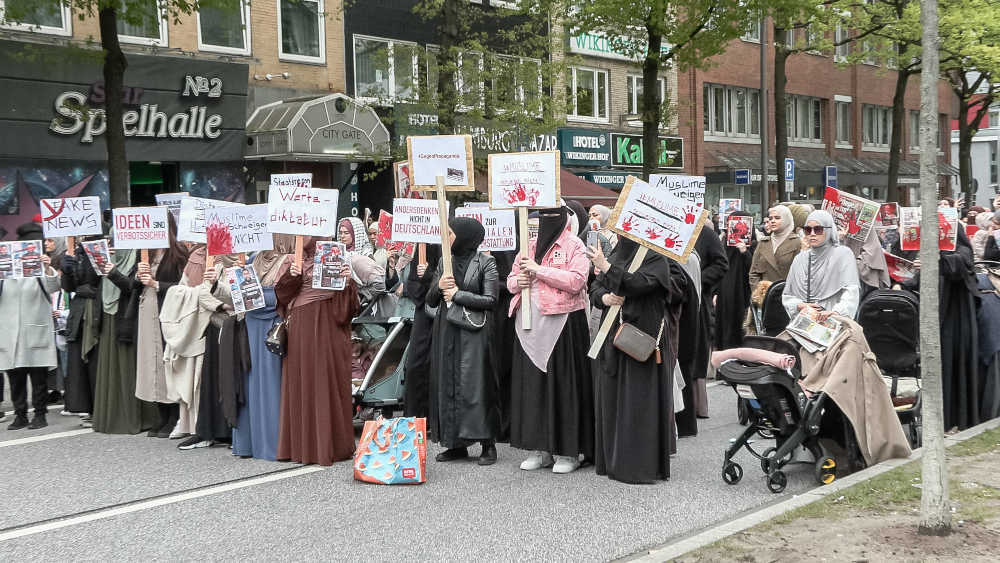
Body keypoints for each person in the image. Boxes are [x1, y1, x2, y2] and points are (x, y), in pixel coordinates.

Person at [588, 236, 686, 484]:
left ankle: (638, 465)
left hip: (642, 335)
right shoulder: (618, 253)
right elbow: (596, 287)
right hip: (613, 335)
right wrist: (605, 298)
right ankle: (613, 460)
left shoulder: (655, 256)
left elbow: (641, 284)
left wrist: (609, 268)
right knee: (612, 396)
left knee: (639, 400)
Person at [507, 206, 593, 474]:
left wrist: (539, 270)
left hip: (563, 323)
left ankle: (569, 450)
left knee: (564, 385)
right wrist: (519, 279)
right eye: (541, 216)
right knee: (534, 387)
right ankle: (539, 447)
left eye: (553, 217)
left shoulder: (574, 245)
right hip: (529, 325)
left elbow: (577, 280)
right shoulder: (528, 245)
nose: (546, 222)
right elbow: (511, 281)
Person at [275, 237, 358, 466]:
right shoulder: (293, 260)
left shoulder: (336, 256)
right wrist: (293, 275)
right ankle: (303, 445)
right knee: (303, 380)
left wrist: (347, 281)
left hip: (330, 326)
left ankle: (333, 444)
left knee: (329, 379)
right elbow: (282, 297)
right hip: (302, 327)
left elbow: (349, 306)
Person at [425, 217, 500, 465]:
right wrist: (439, 286)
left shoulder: (485, 262)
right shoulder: (443, 262)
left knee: (475, 384)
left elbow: (491, 300)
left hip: (474, 332)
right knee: (447, 382)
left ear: (465, 235)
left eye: (450, 233)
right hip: (446, 329)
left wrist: (459, 294)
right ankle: (454, 443)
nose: (445, 237)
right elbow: (431, 300)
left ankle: (487, 443)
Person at [892, 229, 980, 431]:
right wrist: (901, 286)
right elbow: (918, 280)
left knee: (953, 370)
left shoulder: (962, 251)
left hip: (954, 323)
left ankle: (954, 422)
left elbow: (957, 265)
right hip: (935, 321)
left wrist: (936, 260)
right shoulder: (937, 253)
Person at [233, 235, 295, 460]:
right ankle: (251, 443)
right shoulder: (252, 260)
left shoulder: (289, 260)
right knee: (252, 380)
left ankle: (273, 444)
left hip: (272, 326)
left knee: (270, 382)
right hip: (251, 326)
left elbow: (284, 296)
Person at [134, 216, 189, 438]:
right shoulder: (145, 254)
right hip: (147, 312)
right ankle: (160, 414)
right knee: (151, 363)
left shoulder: (178, 254)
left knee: (167, 361)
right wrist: (138, 275)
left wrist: (155, 283)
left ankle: (174, 415)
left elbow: (183, 287)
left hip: (168, 312)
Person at [93, 247, 157, 434]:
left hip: (129, 316)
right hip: (107, 314)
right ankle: (112, 416)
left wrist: (112, 272)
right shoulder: (107, 254)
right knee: (111, 365)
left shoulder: (141, 254)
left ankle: (137, 416)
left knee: (130, 365)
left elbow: (131, 286)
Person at [1, 248, 61, 430]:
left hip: (35, 333)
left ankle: (40, 414)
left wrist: (47, 268)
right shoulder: (4, 276)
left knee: (38, 378)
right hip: (11, 335)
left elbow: (54, 287)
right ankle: (20, 415)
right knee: (15, 379)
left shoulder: (38, 274)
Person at [161, 245, 214, 439]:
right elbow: (182, 285)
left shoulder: (228, 256)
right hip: (189, 321)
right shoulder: (196, 255)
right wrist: (194, 293)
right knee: (187, 373)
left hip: (209, 322)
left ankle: (201, 424)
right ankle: (185, 421)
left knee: (200, 378)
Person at [782, 210, 861, 321]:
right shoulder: (800, 258)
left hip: (834, 323)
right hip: (803, 323)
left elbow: (851, 292)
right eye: (808, 230)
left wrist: (836, 313)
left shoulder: (843, 254)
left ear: (829, 230)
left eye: (818, 229)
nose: (812, 234)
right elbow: (788, 296)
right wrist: (799, 305)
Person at [60, 237, 103, 424]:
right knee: (80, 361)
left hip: (97, 310)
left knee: (96, 360)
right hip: (79, 312)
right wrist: (66, 270)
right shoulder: (74, 254)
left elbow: (102, 280)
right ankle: (86, 406)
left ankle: (99, 406)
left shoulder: (102, 249)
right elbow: (68, 287)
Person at [403, 245, 441, 419]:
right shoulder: (424, 246)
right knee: (416, 365)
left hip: (448, 311)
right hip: (424, 314)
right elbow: (413, 284)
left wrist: (430, 276)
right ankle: (417, 417)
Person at [715, 210, 756, 351]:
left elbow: (754, 269)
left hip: (743, 293)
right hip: (724, 295)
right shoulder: (723, 243)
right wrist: (715, 292)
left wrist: (745, 252)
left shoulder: (755, 243)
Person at [749, 205, 802, 294]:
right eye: (770, 218)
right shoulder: (763, 243)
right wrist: (759, 294)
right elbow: (753, 273)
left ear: (786, 219)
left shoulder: (797, 242)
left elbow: (801, 275)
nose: (772, 221)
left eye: (777, 218)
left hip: (788, 297)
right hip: (766, 298)